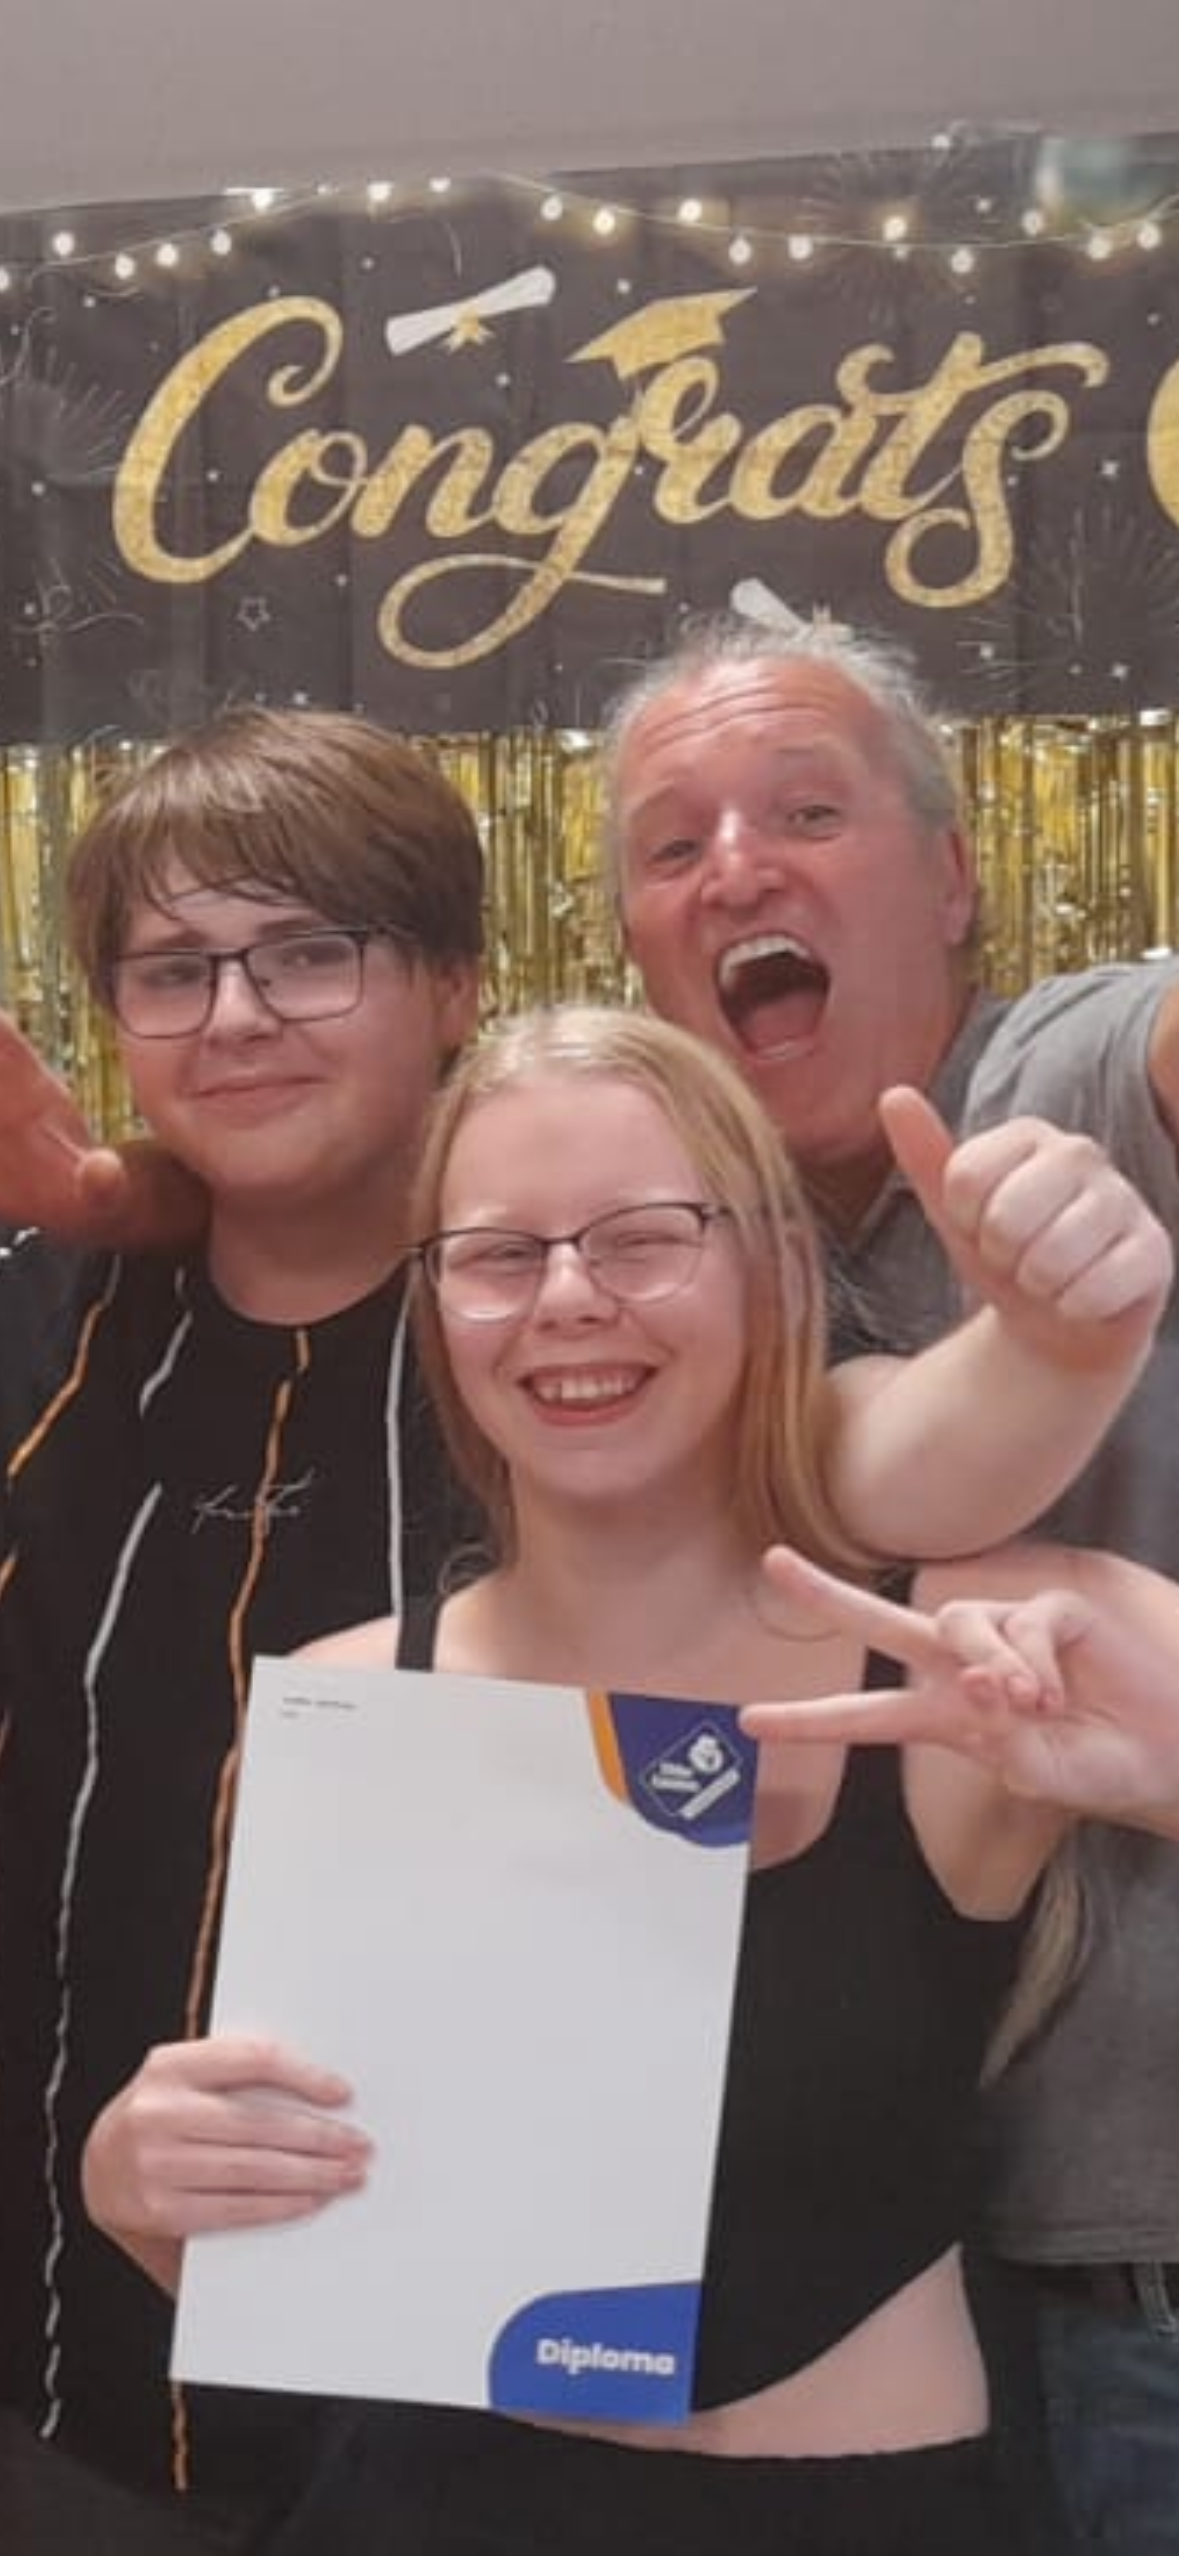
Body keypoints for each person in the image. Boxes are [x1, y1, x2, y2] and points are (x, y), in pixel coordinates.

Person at [2, 708, 1166, 2556]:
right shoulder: (337, 1672)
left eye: (641, 1237)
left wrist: (1064, 1348)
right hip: (315, 2463)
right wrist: (152, 2188)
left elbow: (915, 1444)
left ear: (768, 1267)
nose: (567, 1302)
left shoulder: (946, 1638)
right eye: (500, 1253)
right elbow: (320, 2201)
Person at [603, 613, 1179, 2556]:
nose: (734, 871)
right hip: (926, 2270)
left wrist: (1076, 1283)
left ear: (951, 879)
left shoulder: (1065, 1072)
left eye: (805, 812)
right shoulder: (701, 1262)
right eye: (671, 845)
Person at [0, 705, 486, 2555]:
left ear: (453, 985)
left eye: (306, 953)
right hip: (60, 2388)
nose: (234, 1017)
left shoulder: (581, 1331)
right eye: (172, 971)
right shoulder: (45, 1327)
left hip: (492, 2402)